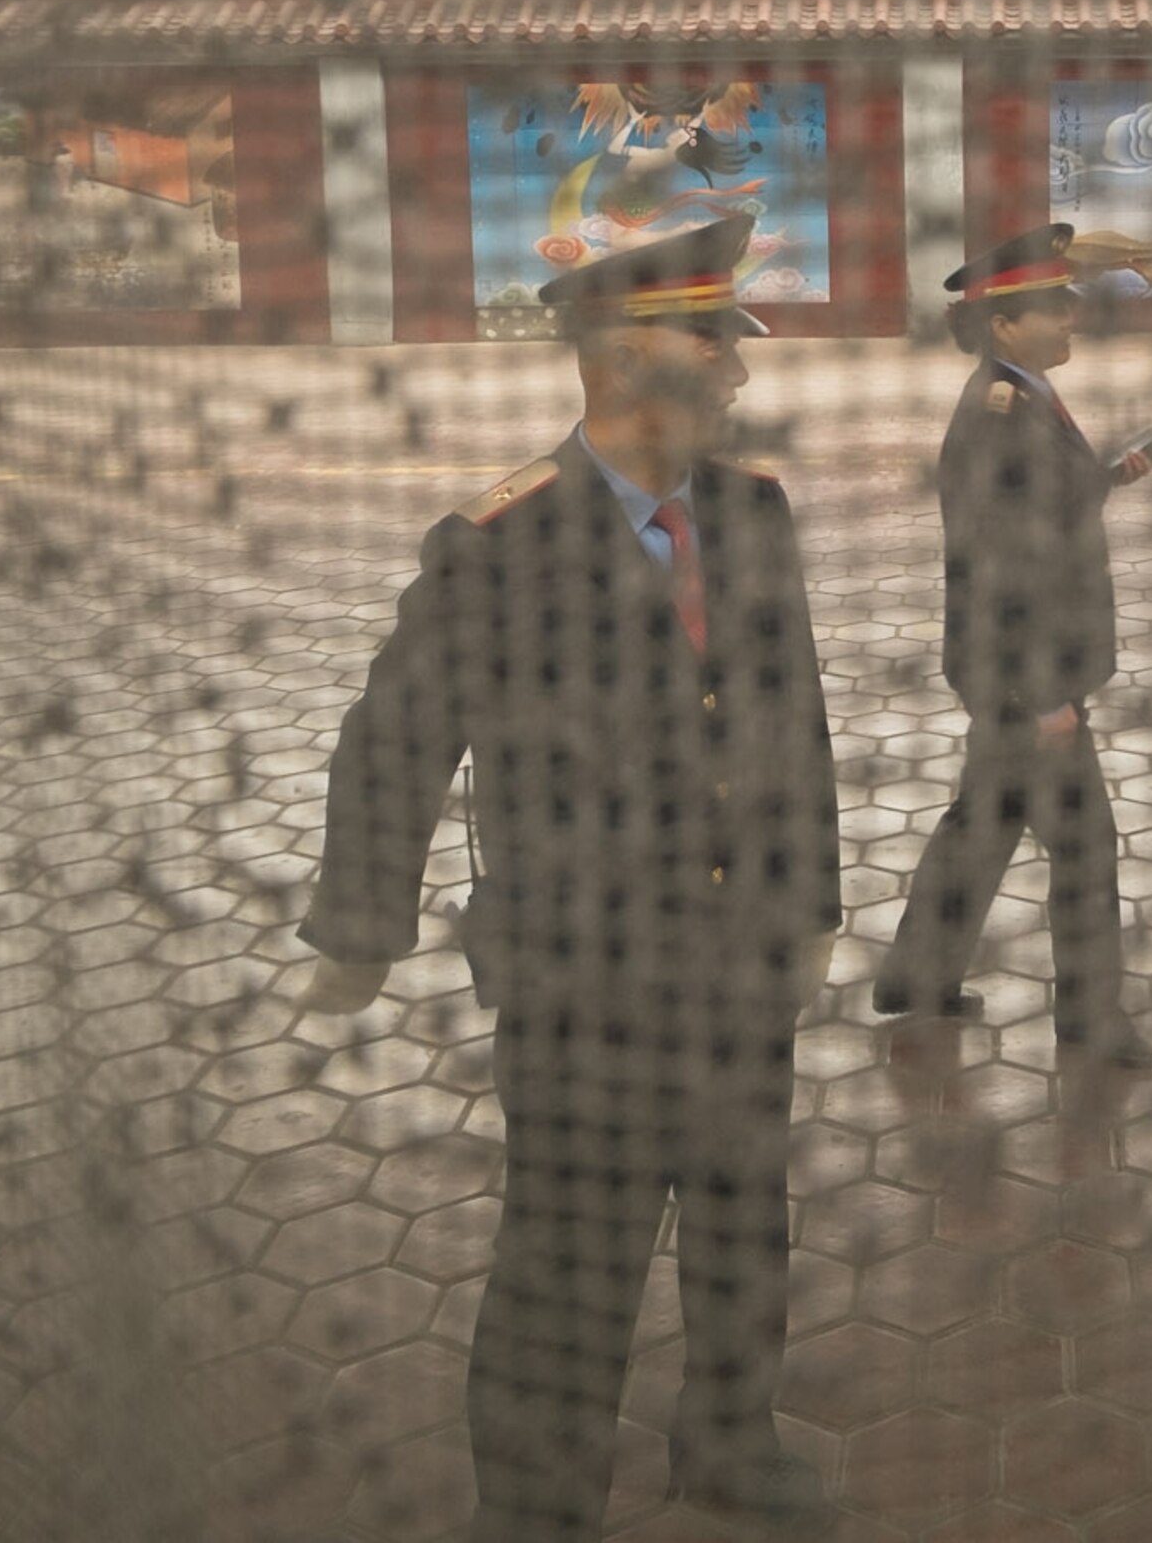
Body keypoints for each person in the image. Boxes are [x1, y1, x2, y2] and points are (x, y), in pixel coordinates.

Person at [294, 213, 841, 1539]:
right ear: (616, 351)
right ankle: (538, 1504)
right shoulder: (503, 542)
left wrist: (813, 902)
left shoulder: (754, 512)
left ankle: (725, 1438)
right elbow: (399, 731)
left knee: (738, 1225)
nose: (736, 371)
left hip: (738, 957)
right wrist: (361, 924)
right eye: (708, 338)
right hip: (585, 975)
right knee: (569, 1261)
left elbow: (794, 716)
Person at [873, 224, 1152, 1069]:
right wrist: (1043, 698)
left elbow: (1041, 514)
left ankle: (915, 979)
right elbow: (1002, 565)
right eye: (1053, 307)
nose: (1071, 318)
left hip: (1005, 675)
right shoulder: (1002, 416)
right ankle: (1092, 1024)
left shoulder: (1020, 397)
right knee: (1084, 850)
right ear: (1003, 325)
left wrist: (1108, 474)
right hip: (1027, 678)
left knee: (984, 824)